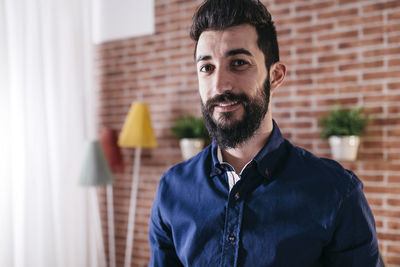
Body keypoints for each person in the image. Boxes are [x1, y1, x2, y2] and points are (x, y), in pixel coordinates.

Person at [149, 0, 381, 266]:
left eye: (238, 63)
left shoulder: (337, 193)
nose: (219, 84)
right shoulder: (171, 189)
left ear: (275, 76)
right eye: (207, 68)